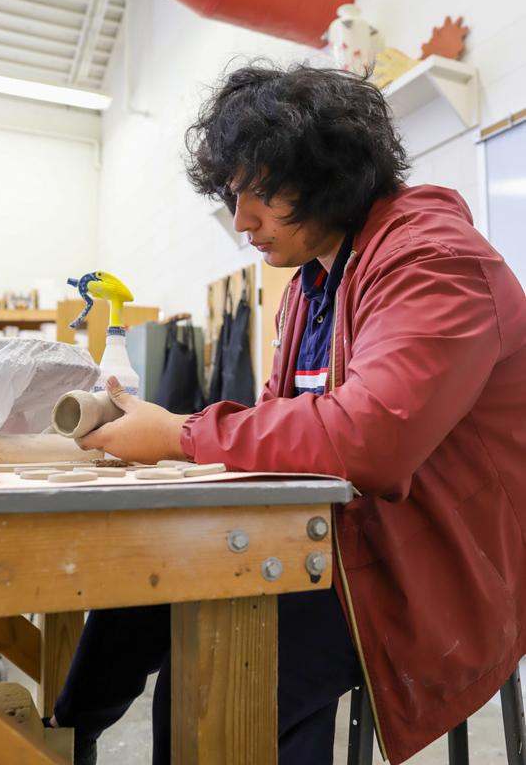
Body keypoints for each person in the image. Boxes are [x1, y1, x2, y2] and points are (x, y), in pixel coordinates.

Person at [47, 64, 526, 765]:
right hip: (345, 537)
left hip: (425, 563)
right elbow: (288, 426)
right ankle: (63, 739)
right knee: (140, 577)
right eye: (234, 197)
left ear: (332, 177)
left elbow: (367, 440)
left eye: (261, 194)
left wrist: (180, 434)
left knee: (215, 679)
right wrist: (174, 443)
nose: (241, 222)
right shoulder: (313, 282)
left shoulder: (434, 262)